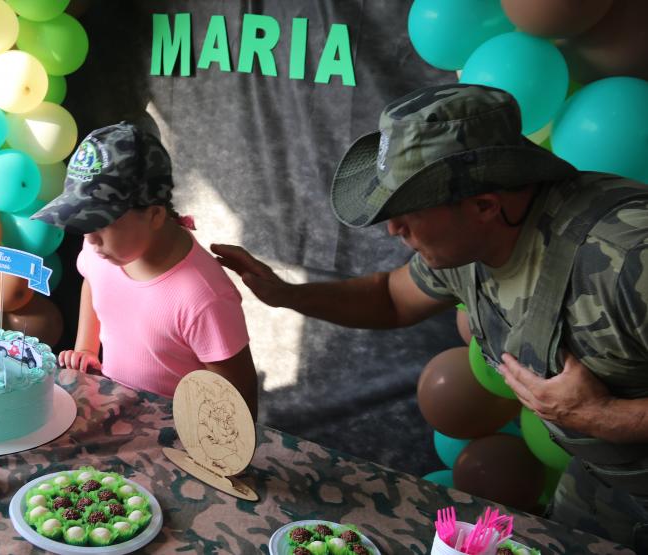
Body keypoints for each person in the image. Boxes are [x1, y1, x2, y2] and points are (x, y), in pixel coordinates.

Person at [211, 83, 648, 549]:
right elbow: (392, 298)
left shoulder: (628, 259)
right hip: (604, 478)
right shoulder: (470, 241)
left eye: (409, 210)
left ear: (484, 205)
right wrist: (286, 295)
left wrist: (604, 416)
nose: (393, 228)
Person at [32, 122, 257, 417]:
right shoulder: (102, 252)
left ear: (154, 215)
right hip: (116, 409)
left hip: (177, 433)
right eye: (82, 222)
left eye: (101, 222)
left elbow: (239, 404)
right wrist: (86, 346)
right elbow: (92, 279)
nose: (89, 239)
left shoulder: (204, 297)